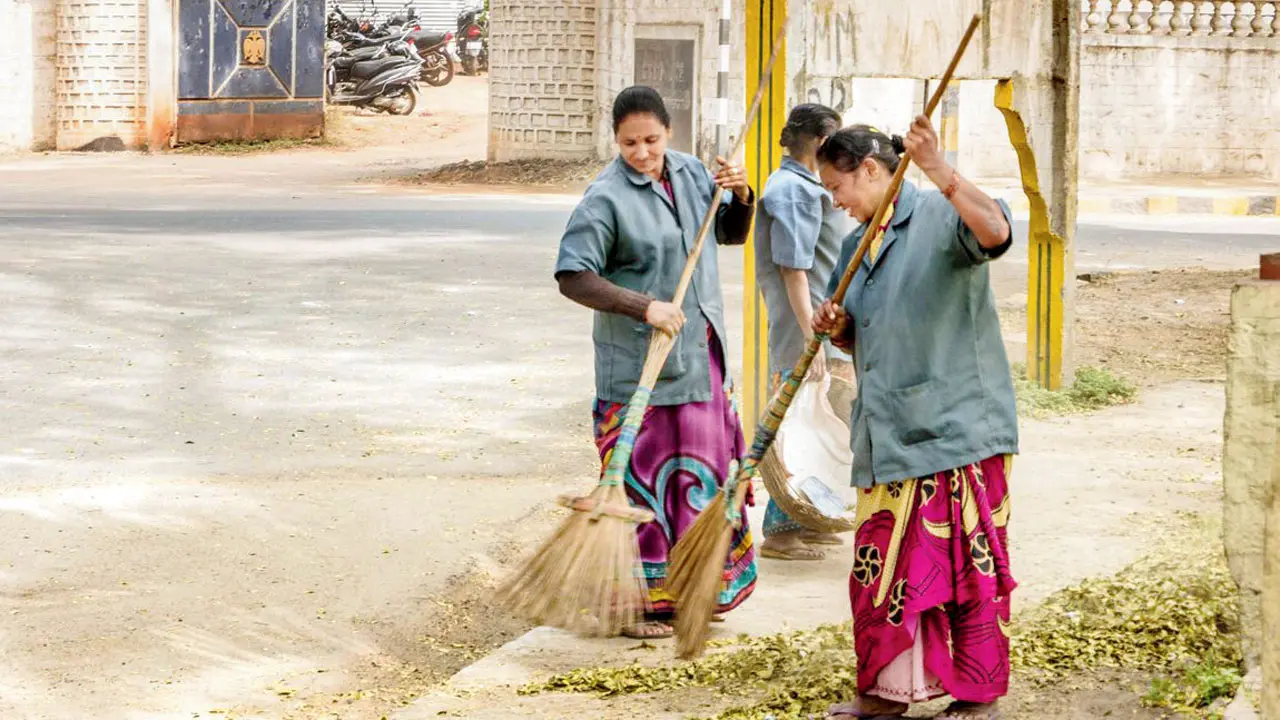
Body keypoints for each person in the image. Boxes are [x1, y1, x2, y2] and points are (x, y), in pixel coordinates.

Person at [812, 118, 1018, 720]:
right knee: (880, 569)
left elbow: (997, 231)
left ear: (870, 170)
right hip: (887, 436)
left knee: (965, 570)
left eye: (837, 187)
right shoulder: (855, 249)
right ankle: (885, 692)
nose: (836, 203)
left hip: (957, 432)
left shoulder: (939, 215)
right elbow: (863, 333)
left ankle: (979, 695)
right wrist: (840, 328)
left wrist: (938, 169)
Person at [553, 86, 759, 640]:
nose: (642, 152)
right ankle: (639, 604)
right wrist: (644, 306)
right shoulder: (605, 198)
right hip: (638, 371)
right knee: (643, 490)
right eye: (629, 143)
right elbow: (573, 275)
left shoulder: (695, 174)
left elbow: (730, 235)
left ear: (670, 133)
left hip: (700, 360)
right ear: (615, 141)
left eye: (651, 140)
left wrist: (742, 196)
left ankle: (697, 588)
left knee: (704, 480)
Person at [754, 103, 858, 561]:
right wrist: (810, 337)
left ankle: (811, 519)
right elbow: (792, 269)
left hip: (820, 326)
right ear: (820, 142)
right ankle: (781, 531)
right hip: (806, 330)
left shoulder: (808, 187)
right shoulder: (793, 191)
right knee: (797, 426)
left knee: (823, 424)